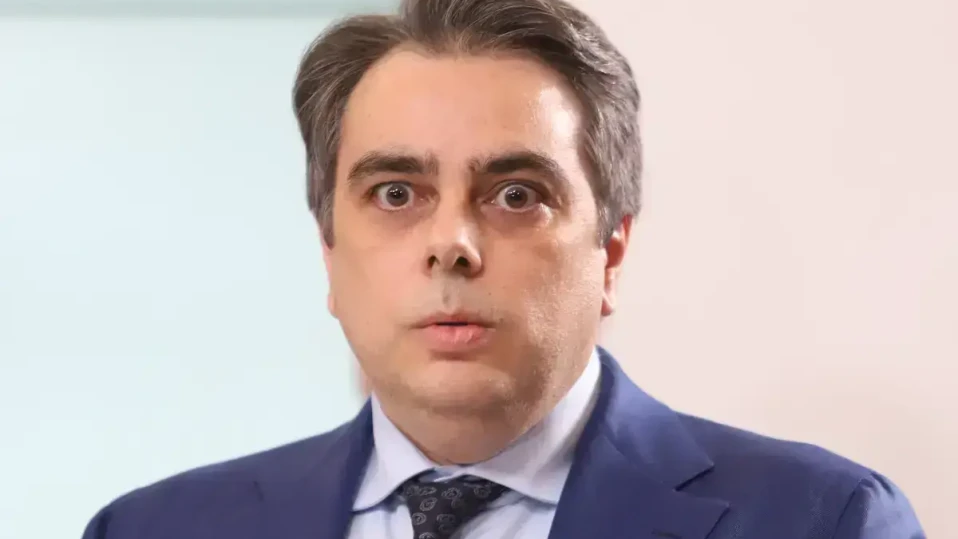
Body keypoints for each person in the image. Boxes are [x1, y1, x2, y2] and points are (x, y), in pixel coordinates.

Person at [81, 0, 925, 537]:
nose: (452, 242)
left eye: (516, 194)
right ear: (328, 252)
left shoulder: (825, 521)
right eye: (396, 192)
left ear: (612, 252)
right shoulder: (153, 528)